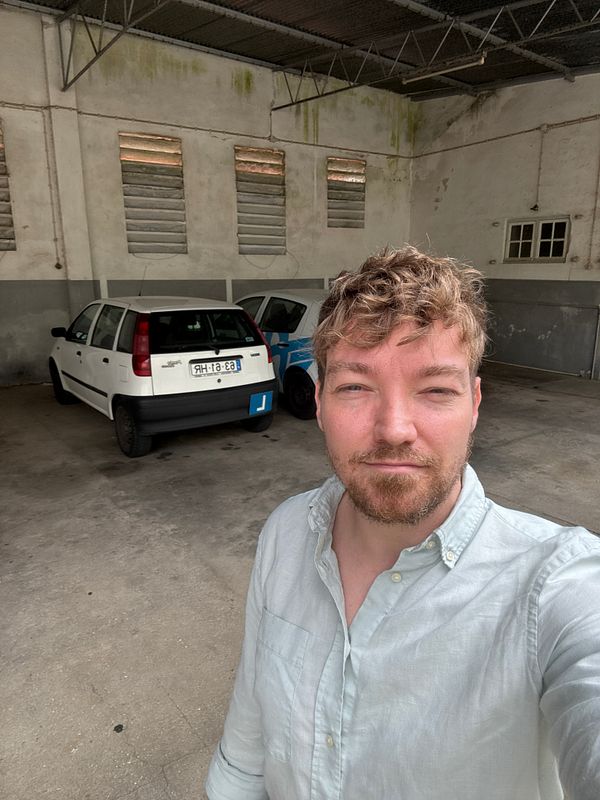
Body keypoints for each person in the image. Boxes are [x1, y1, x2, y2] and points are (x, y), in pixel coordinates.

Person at [206, 246, 600, 800]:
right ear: (319, 402)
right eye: (355, 387)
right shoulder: (285, 533)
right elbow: (247, 746)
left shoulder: (556, 588)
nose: (393, 429)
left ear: (475, 403)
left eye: (436, 389)